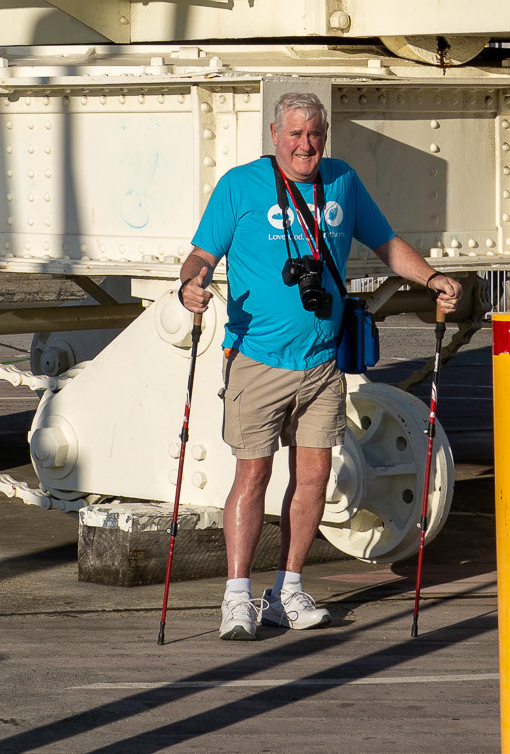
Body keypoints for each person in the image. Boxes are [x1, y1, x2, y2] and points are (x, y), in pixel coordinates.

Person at [179, 90, 464, 642]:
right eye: (294, 134)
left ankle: (287, 589)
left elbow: (386, 243)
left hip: (322, 363)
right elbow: (201, 254)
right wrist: (190, 284)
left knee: (313, 476)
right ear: (274, 135)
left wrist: (431, 279)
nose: (305, 145)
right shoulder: (239, 186)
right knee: (253, 473)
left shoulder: (343, 181)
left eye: (314, 134)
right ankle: (236, 597)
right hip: (257, 360)